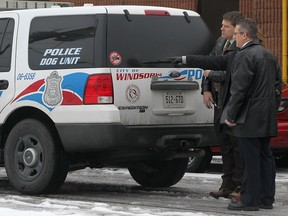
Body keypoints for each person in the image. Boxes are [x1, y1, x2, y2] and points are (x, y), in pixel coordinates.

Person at [171, 18, 282, 211]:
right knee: (265, 158)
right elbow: (277, 86)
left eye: (237, 34)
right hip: (265, 116)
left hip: (248, 117)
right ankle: (266, 198)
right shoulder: (268, 55)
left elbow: (239, 90)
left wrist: (230, 115)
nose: (235, 39)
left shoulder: (244, 56)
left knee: (249, 160)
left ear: (245, 35)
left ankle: (249, 199)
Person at [201, 11, 244, 200]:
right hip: (219, 100)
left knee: (236, 146)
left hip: (233, 102)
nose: (221, 29)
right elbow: (208, 64)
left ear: (237, 29)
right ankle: (227, 185)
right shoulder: (220, 42)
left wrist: (211, 75)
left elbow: (231, 75)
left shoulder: (242, 47)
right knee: (224, 145)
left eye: (225, 26)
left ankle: (240, 185)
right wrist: (206, 89)